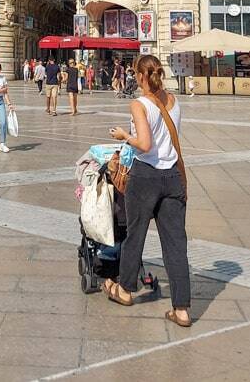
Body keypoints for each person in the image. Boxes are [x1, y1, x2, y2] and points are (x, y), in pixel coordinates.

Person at [104, 54, 192, 328]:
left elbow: (143, 144)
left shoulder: (139, 104)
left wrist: (123, 136)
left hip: (146, 177)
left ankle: (126, 290)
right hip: (173, 177)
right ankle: (181, 309)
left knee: (135, 235)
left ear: (140, 76)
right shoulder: (173, 101)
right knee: (176, 244)